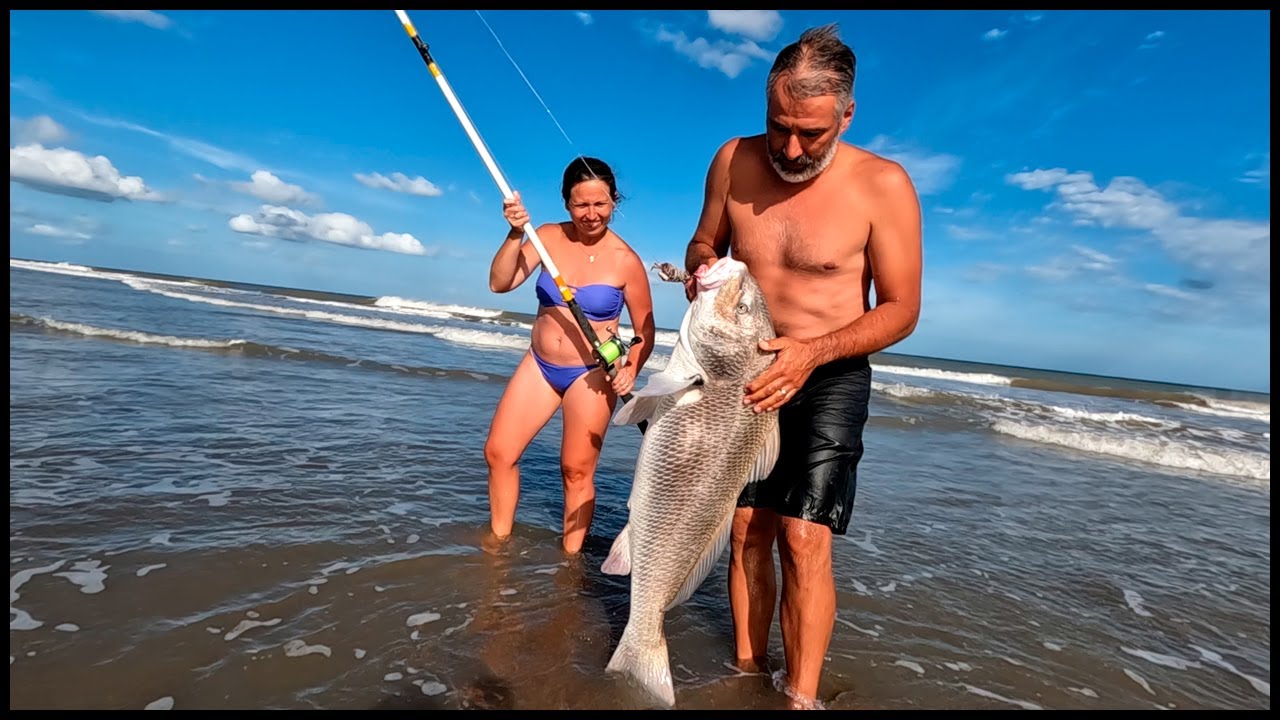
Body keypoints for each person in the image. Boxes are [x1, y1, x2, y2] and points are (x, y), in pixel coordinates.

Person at [681, 25, 923, 710]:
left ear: (847, 114)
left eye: (810, 133)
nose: (789, 148)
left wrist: (813, 351)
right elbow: (706, 239)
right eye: (777, 125)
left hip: (828, 368)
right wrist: (701, 264)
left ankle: (801, 698)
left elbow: (901, 309)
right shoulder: (732, 158)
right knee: (745, 530)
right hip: (741, 368)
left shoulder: (883, 185)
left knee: (804, 534)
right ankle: (747, 672)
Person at [484, 156, 656, 555]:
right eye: (581, 204)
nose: (591, 214)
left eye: (600, 204)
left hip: (591, 374)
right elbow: (499, 283)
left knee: (576, 471)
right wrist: (514, 234)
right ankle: (497, 546)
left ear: (614, 201)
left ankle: (570, 559)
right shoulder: (544, 236)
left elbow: (645, 329)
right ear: (566, 203)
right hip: (540, 366)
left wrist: (632, 366)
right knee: (498, 452)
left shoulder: (625, 260)